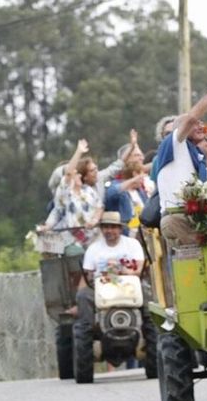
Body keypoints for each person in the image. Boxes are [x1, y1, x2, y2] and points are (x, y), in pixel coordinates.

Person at [155, 66, 207, 248]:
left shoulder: (198, 158)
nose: (200, 126)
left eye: (201, 123)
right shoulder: (173, 144)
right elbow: (191, 117)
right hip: (178, 218)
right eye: (194, 123)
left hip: (201, 219)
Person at [73, 211, 155, 356]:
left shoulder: (132, 245)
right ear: (101, 229)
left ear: (120, 228)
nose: (109, 231)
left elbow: (138, 270)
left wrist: (120, 270)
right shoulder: (93, 249)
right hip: (101, 287)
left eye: (113, 227)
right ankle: (88, 337)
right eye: (105, 227)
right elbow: (87, 276)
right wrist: (77, 302)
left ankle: (150, 334)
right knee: (83, 296)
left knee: (148, 297)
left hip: (129, 286)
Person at [39, 139, 104, 254]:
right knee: (76, 254)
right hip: (71, 240)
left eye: (78, 173)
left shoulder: (89, 191)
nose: (78, 176)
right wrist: (79, 151)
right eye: (75, 174)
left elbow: (100, 207)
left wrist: (94, 220)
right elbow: (68, 173)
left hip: (93, 240)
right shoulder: (65, 192)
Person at [105, 130, 152, 236]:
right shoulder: (114, 184)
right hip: (126, 236)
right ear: (126, 159)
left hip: (145, 235)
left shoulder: (141, 188)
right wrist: (133, 180)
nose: (142, 158)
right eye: (137, 155)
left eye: (141, 155)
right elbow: (111, 194)